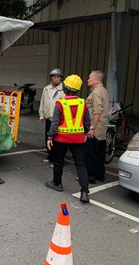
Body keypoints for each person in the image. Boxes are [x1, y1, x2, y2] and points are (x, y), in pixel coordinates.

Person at [45, 74, 91, 203]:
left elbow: (54, 123)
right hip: (78, 139)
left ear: (65, 88)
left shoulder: (60, 104)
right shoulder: (83, 103)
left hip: (61, 139)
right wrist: (85, 133)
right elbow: (87, 122)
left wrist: (50, 137)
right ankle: (84, 192)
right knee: (81, 164)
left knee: (58, 161)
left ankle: (57, 183)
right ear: (77, 89)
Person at [85, 70, 109, 183]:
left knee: (92, 153)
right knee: (100, 153)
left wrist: (92, 128)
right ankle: (100, 174)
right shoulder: (102, 90)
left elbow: (97, 112)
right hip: (102, 127)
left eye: (90, 78)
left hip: (96, 127)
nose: (88, 79)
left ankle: (90, 177)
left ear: (97, 80)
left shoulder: (96, 92)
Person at [38, 68, 65, 167]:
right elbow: (42, 102)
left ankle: (56, 160)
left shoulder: (63, 90)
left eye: (58, 77)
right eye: (54, 77)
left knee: (57, 140)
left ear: (61, 78)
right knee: (48, 138)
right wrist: (41, 115)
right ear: (51, 78)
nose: (56, 79)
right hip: (48, 117)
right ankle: (50, 157)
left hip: (58, 120)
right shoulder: (46, 89)